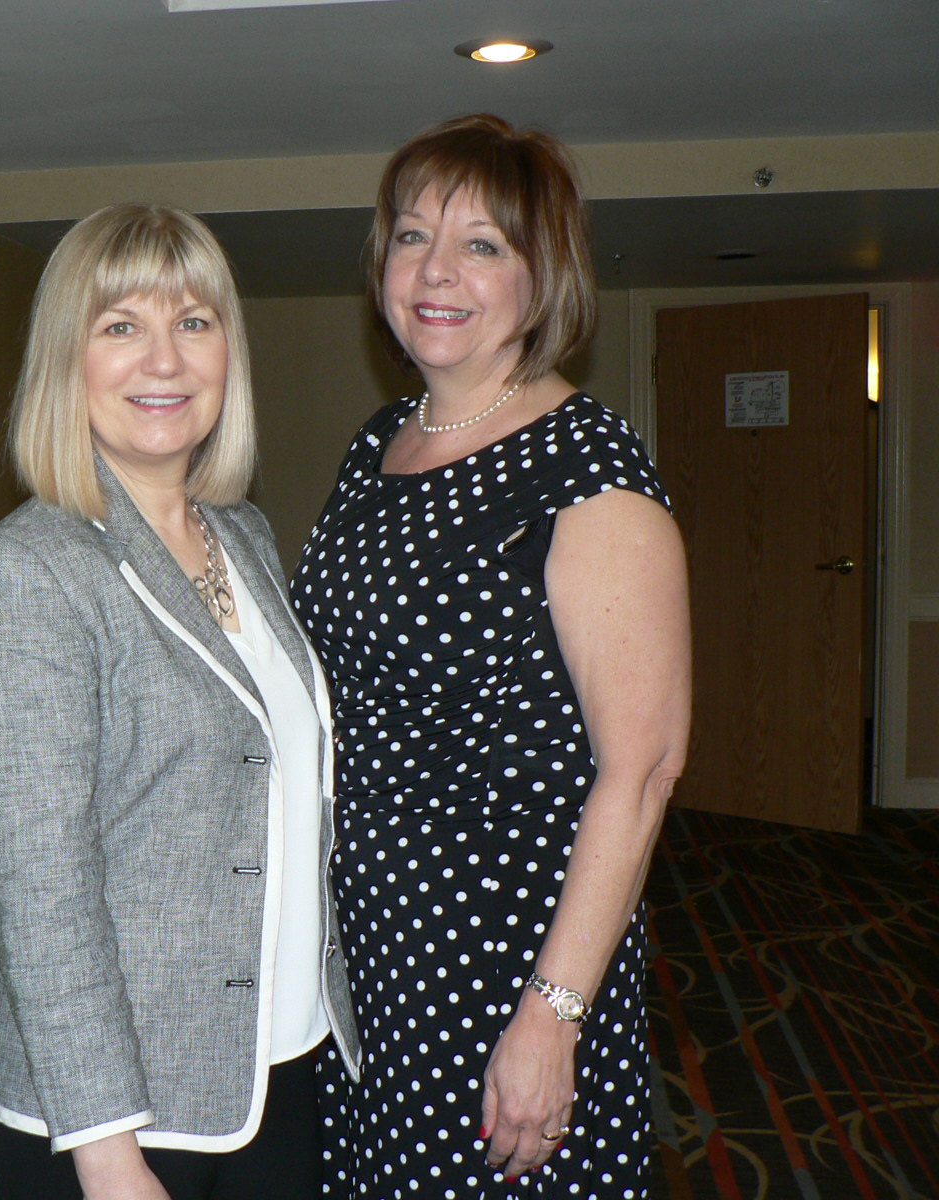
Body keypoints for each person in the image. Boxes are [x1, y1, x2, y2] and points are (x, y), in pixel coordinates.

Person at [292, 114, 691, 1198]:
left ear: (541, 272)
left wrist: (551, 1017)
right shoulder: (378, 446)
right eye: (412, 236)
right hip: (370, 953)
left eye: (482, 245)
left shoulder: (584, 472)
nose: (434, 271)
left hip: (504, 965)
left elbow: (642, 769)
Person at [0, 202, 361, 1200]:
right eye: (121, 326)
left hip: (275, 1064)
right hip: (121, 1114)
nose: (164, 359)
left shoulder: (246, 536)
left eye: (194, 322)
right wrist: (105, 1147)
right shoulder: (29, 570)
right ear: (66, 361)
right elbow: (42, 886)